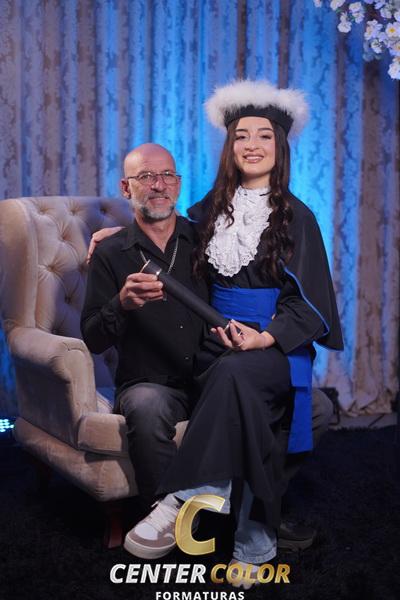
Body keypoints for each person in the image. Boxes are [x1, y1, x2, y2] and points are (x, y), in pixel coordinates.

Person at [122, 80, 343, 584]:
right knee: (235, 385)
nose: (251, 145)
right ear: (229, 146)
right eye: (241, 136)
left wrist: (264, 337)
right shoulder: (206, 210)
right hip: (212, 341)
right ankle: (254, 544)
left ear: (279, 146)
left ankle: (184, 495)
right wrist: (120, 233)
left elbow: (310, 304)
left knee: (239, 374)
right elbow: (165, 236)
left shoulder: (299, 218)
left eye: (263, 136)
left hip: (274, 347)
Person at [81, 143, 209, 506]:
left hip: (211, 376)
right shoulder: (110, 253)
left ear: (178, 184)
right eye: (147, 176)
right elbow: (92, 338)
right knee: (147, 405)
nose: (159, 185)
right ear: (126, 188)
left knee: (312, 407)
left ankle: (256, 513)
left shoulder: (207, 241)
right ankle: (165, 519)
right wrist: (121, 304)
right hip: (150, 385)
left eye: (167, 175)